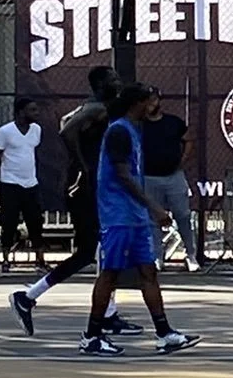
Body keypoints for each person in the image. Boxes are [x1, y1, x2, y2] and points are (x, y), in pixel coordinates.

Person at [75, 83, 199, 357]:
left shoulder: (133, 130)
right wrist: (154, 206)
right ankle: (91, 336)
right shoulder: (119, 131)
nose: (153, 106)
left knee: (148, 272)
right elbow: (122, 175)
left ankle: (165, 333)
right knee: (110, 274)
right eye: (149, 101)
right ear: (138, 103)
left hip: (135, 215)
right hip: (118, 215)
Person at [11, 69, 132, 337]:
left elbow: (67, 119)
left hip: (90, 186)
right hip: (83, 188)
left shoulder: (94, 107)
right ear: (100, 84)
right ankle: (27, 297)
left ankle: (108, 313)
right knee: (90, 251)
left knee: (101, 250)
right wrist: (83, 165)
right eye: (113, 79)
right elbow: (66, 129)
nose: (118, 82)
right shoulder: (97, 108)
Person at [139, 90, 197, 271]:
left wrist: (182, 161)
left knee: (183, 215)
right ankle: (157, 257)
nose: (150, 104)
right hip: (149, 177)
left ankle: (191, 255)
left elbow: (188, 139)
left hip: (174, 176)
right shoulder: (139, 125)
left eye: (153, 100)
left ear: (159, 101)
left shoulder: (173, 122)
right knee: (152, 219)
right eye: (146, 100)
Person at [0, 97, 48, 272]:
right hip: (10, 184)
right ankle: (6, 260)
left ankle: (40, 260)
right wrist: (2, 175)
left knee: (35, 222)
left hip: (31, 184)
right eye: (32, 110)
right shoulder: (5, 131)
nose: (36, 113)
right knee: (8, 222)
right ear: (21, 112)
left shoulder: (36, 130)